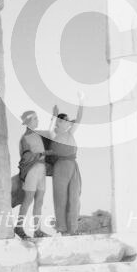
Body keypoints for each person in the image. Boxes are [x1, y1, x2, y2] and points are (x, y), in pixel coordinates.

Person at [50, 92, 84, 236]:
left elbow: (80, 118)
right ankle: (63, 229)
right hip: (61, 167)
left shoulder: (70, 133)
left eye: (68, 120)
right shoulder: (55, 135)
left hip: (72, 165)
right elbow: (50, 129)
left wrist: (81, 101)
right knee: (61, 198)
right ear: (59, 122)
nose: (68, 122)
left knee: (74, 197)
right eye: (65, 120)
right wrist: (54, 116)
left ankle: (73, 228)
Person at [15, 110, 50, 240]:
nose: (38, 121)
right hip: (32, 170)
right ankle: (18, 227)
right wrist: (41, 154)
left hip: (41, 170)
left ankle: (37, 230)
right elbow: (26, 156)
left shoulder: (37, 135)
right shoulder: (25, 138)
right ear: (29, 121)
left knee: (39, 200)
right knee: (28, 199)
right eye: (35, 119)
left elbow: (49, 135)